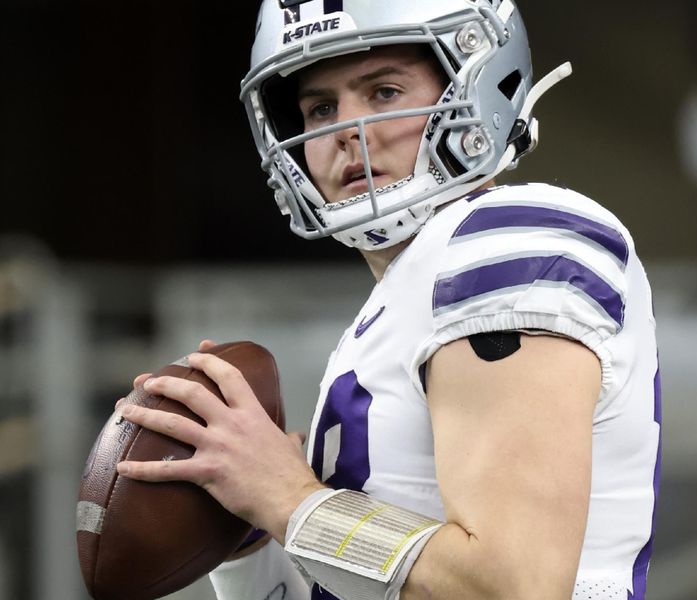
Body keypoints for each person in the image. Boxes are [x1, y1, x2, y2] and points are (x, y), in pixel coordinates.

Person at [117, 1, 662, 599]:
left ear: (477, 82)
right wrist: (249, 530)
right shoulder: (398, 302)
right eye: (320, 107)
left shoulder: (508, 238)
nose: (346, 131)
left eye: (383, 91)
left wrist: (289, 498)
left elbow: (513, 586)